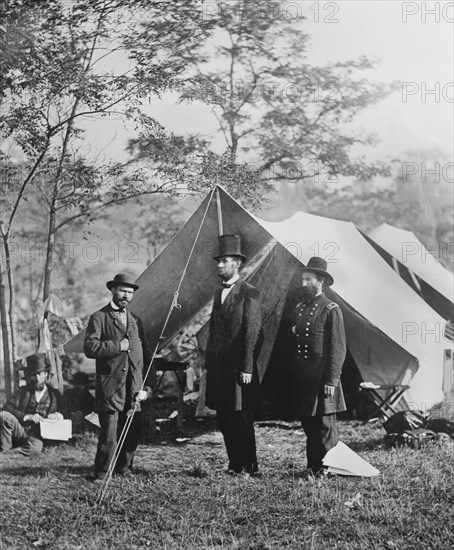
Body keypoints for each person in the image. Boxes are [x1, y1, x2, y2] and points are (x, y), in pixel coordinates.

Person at [84, 272, 152, 483]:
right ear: (113, 290)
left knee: (132, 430)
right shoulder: (99, 317)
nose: (126, 295)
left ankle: (124, 468)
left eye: (130, 292)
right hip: (110, 386)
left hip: (133, 386)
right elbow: (89, 347)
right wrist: (117, 346)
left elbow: (146, 354)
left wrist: (146, 386)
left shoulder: (135, 320)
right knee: (109, 433)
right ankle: (102, 473)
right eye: (122, 290)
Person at [205, 235, 262, 476]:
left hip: (239, 369)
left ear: (236, 263)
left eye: (224, 261)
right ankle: (234, 464)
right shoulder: (219, 293)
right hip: (219, 369)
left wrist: (247, 367)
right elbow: (214, 330)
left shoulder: (250, 293)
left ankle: (249, 466)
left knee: (241, 418)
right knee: (224, 417)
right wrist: (208, 364)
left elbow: (252, 333)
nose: (219, 265)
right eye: (218, 261)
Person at [291, 256, 347, 478]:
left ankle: (328, 467)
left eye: (308, 279)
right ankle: (313, 466)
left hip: (324, 378)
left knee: (325, 426)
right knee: (309, 423)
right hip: (306, 378)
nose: (303, 283)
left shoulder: (331, 309)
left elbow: (338, 348)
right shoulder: (300, 308)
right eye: (302, 279)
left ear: (320, 281)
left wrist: (331, 380)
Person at [0, 353, 63, 456]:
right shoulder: (23, 391)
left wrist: (59, 415)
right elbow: (7, 408)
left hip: (37, 435)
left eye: (40, 374)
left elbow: (64, 411)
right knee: (3, 416)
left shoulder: (54, 395)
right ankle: (5, 448)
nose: (37, 378)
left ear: (46, 374)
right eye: (34, 375)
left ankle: (8, 454)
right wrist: (26, 416)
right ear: (30, 376)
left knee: (36, 448)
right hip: (20, 430)